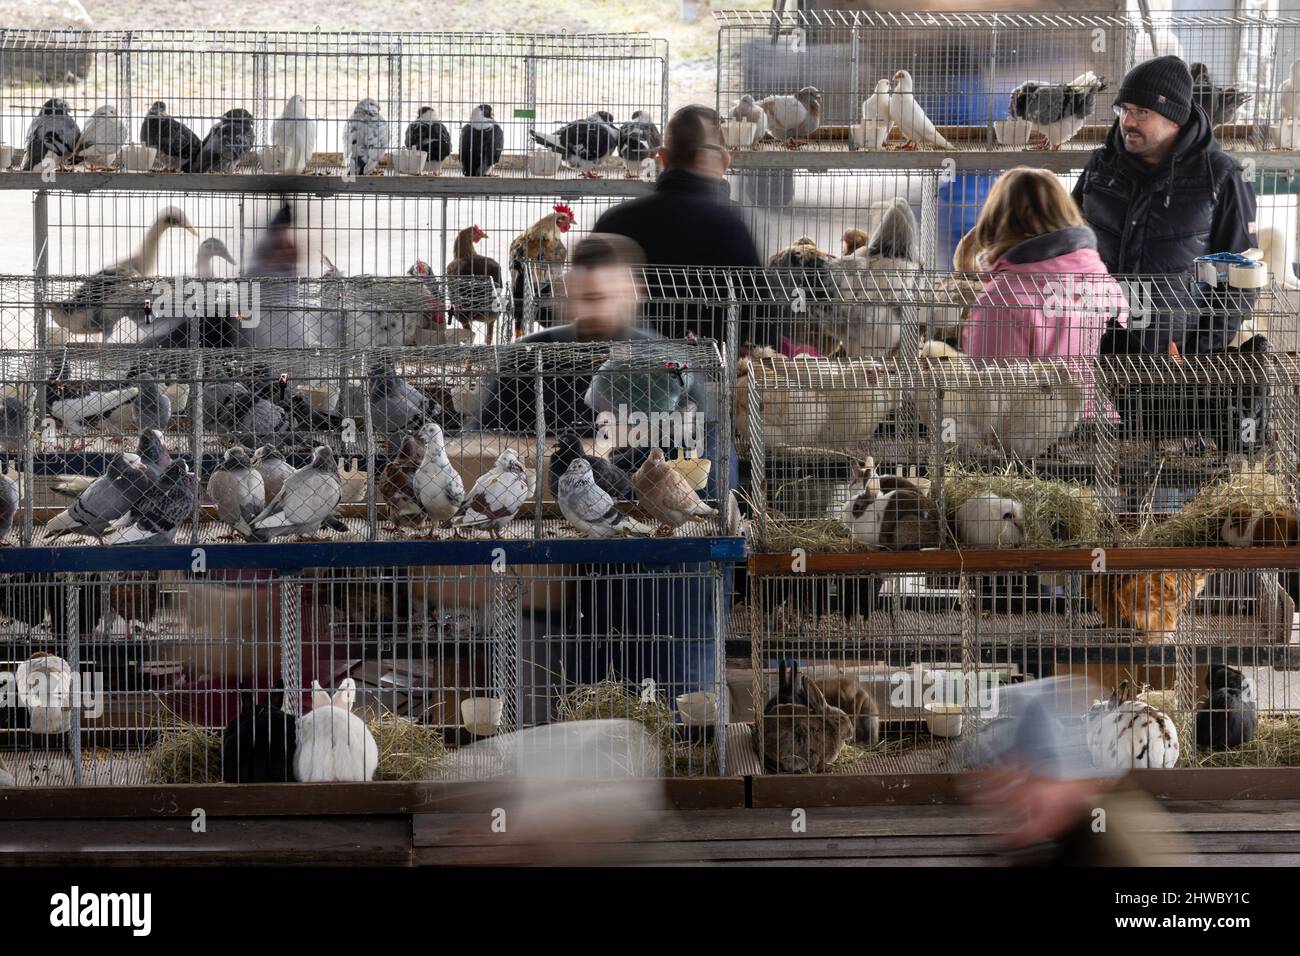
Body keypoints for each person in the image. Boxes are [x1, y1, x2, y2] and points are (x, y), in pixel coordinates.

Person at [482, 233, 733, 711]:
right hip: (558, 603)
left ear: (635, 291)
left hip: (666, 600)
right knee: (569, 729)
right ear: (564, 292)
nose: (592, 311)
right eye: (583, 297)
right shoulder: (526, 363)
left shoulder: (673, 368)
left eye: (603, 297)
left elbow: (713, 486)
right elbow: (478, 457)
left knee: (673, 733)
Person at [1070, 54, 1257, 354]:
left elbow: (1240, 281)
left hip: (1171, 364)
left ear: (1174, 117)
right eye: (1124, 110)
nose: (1127, 122)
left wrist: (1197, 356)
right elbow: (1067, 244)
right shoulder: (1101, 167)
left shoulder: (1221, 178)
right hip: (1094, 351)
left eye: (1141, 112)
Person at [961, 166, 1126, 418]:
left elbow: (990, 391)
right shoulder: (1103, 279)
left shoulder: (1002, 298)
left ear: (998, 221)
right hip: (1099, 429)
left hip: (1027, 440)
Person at [591, 104, 762, 344]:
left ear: (662, 157)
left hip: (625, 371)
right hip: (712, 367)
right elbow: (760, 315)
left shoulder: (614, 221)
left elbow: (590, 311)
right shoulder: (732, 226)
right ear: (721, 160)